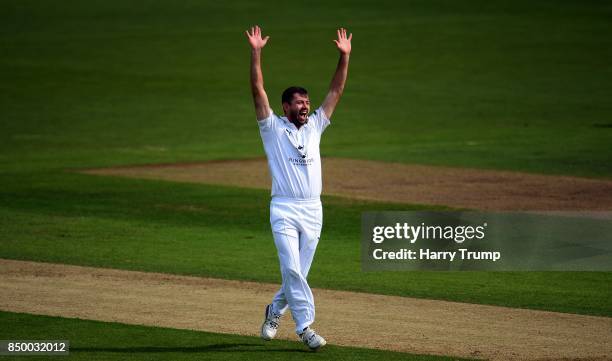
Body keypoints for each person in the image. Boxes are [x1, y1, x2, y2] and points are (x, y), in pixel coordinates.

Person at [245, 25, 351, 350]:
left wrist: (344, 57)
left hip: (313, 208)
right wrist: (256, 52)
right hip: (284, 208)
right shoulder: (272, 128)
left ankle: (274, 310)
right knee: (291, 268)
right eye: (299, 102)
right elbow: (257, 89)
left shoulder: (315, 126)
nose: (305, 106)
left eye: (307, 101)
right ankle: (306, 328)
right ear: (286, 106)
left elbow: (334, 92)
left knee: (298, 274)